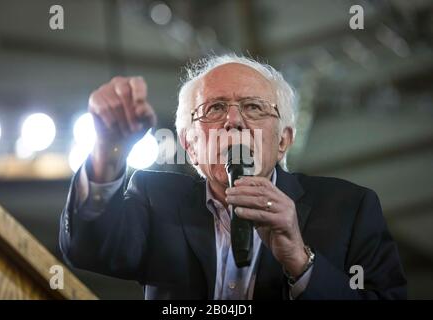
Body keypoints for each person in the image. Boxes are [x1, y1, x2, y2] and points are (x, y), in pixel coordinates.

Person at [59, 54, 407, 299]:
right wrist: (107, 150)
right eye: (215, 108)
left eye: (254, 107)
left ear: (283, 140)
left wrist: (301, 262)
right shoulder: (155, 197)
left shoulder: (350, 208)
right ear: (190, 145)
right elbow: (89, 248)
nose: (234, 121)